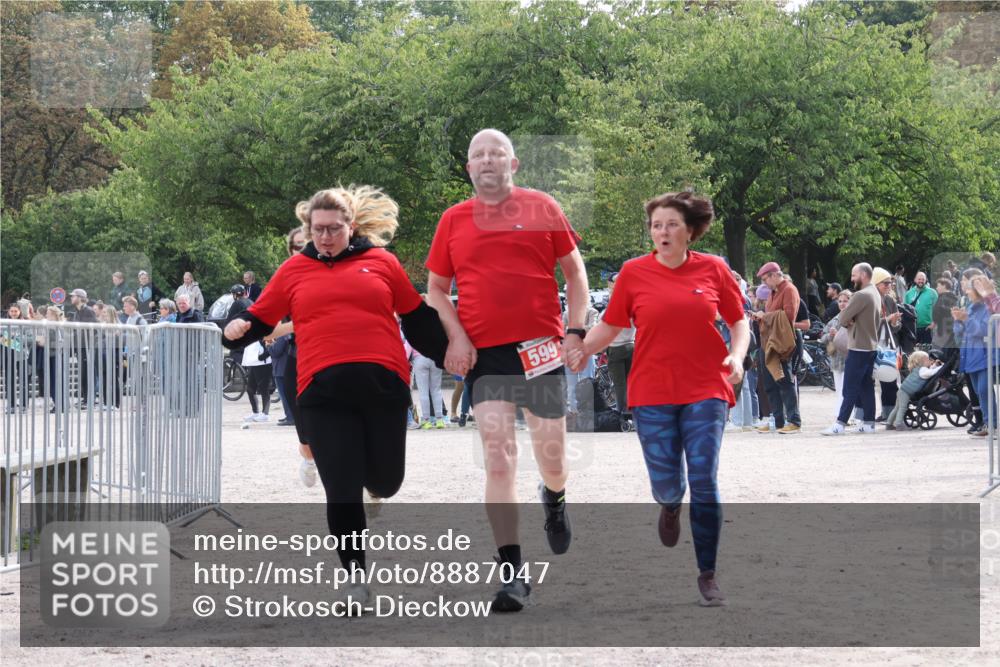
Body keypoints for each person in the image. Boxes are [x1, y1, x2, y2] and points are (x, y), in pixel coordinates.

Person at [223, 185, 447, 606]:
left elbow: (415, 316)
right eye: (317, 229)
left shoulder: (381, 262)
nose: (325, 237)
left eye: (333, 228)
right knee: (340, 490)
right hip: (322, 392)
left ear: (351, 226)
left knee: (386, 480)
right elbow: (260, 316)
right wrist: (239, 329)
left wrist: (450, 351)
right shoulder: (293, 271)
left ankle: (375, 487)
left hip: (382, 386)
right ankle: (355, 580)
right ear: (308, 229)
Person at [425, 128, 588, 612]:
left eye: (497, 153)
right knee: (498, 458)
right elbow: (435, 289)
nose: (488, 160)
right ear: (470, 168)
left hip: (541, 348)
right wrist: (455, 334)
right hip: (486, 354)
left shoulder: (542, 207)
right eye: (479, 155)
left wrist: (575, 331)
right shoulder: (452, 220)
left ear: (513, 165)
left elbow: (576, 274)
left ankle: (554, 499)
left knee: (552, 457)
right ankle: (512, 573)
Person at [569, 190, 749, 607]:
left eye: (671, 225)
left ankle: (708, 573)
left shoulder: (714, 270)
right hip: (651, 392)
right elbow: (611, 326)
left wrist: (736, 356)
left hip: (706, 386)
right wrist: (581, 348)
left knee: (704, 479)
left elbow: (739, 321)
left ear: (689, 231)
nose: (662, 232)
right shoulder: (633, 273)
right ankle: (669, 505)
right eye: (656, 225)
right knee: (669, 485)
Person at [821, 264, 882, 435]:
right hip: (870, 346)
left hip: (858, 347)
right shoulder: (875, 292)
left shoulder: (860, 295)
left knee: (850, 387)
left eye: (854, 275)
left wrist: (850, 321)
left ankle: (840, 424)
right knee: (866, 386)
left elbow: (843, 317)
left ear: (863, 274)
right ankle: (869, 423)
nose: (852, 278)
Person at [751, 262, 801, 434]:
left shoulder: (789, 289)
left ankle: (794, 421)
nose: (764, 283)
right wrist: (759, 318)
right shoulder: (773, 292)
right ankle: (777, 421)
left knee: (784, 381)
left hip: (781, 343)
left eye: (765, 279)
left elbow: (788, 316)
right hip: (768, 342)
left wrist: (765, 316)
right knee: (769, 384)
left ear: (774, 275)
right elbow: (773, 318)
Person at [954, 273, 998, 436]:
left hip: (984, 356)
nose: (966, 292)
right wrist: (958, 320)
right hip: (970, 357)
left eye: (969, 289)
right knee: (980, 392)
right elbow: (959, 333)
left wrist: (966, 320)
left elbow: (984, 330)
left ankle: (993, 425)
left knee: (984, 389)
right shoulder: (971, 308)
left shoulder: (987, 308)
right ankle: (988, 424)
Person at [602, 271, 635, 416]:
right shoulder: (632, 302)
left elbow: (604, 325)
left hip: (616, 347)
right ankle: (631, 409)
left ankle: (622, 411)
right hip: (631, 344)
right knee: (630, 381)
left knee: (619, 383)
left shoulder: (614, 303)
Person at [885, 351, 943, 431]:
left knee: (897, 408)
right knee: (902, 408)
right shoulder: (922, 370)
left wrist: (935, 365)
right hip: (906, 392)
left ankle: (889, 424)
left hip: (902, 390)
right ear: (922, 362)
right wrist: (941, 367)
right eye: (928, 360)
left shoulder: (920, 369)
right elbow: (931, 373)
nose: (930, 361)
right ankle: (899, 424)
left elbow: (929, 370)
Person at [874, 267, 903, 422]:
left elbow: (898, 326)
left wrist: (893, 321)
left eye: (890, 283)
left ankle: (889, 412)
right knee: (877, 382)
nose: (888, 286)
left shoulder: (890, 300)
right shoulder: (871, 299)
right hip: (874, 344)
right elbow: (869, 324)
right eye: (885, 283)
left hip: (889, 346)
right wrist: (887, 319)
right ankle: (884, 412)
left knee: (890, 380)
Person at [819, 289, 853, 419]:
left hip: (851, 357)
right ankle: (840, 414)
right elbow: (822, 338)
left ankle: (849, 415)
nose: (842, 303)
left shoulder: (855, 318)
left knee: (849, 389)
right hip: (836, 359)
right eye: (840, 301)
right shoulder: (834, 320)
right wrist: (830, 335)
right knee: (839, 388)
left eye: (845, 301)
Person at [904, 271, 937, 345]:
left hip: (927, 328)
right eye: (919, 279)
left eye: (923, 279)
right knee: (914, 353)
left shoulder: (932, 293)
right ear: (915, 279)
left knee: (927, 352)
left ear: (926, 280)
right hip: (913, 328)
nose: (921, 281)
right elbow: (905, 311)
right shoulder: (908, 294)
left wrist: (934, 323)